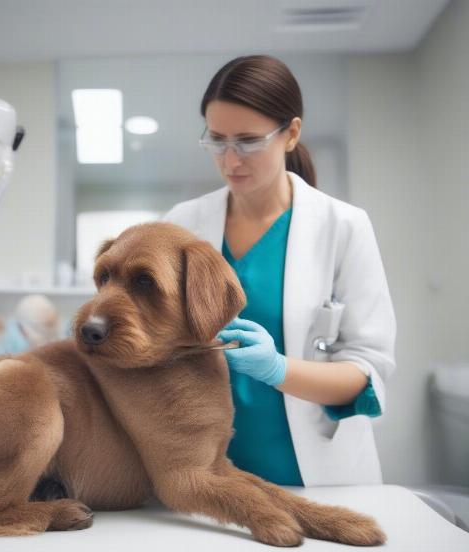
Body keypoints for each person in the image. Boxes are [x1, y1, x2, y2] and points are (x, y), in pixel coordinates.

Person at [162, 55, 396, 487]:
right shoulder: (181, 224)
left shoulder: (343, 226)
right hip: (208, 475)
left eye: (248, 141)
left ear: (291, 134)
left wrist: (277, 369)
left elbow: (366, 370)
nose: (230, 160)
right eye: (217, 140)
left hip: (318, 475)